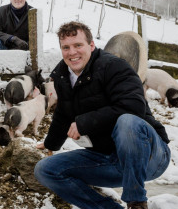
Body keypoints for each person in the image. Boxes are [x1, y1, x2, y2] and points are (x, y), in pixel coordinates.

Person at [34, 21, 170, 209]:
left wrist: (84, 123)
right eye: (66, 47)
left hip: (148, 156)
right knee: (45, 169)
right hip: (107, 158)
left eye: (78, 45)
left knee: (127, 122)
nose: (72, 52)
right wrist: (50, 143)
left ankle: (136, 203)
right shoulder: (62, 76)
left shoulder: (114, 66)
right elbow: (63, 114)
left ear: (91, 45)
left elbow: (134, 107)